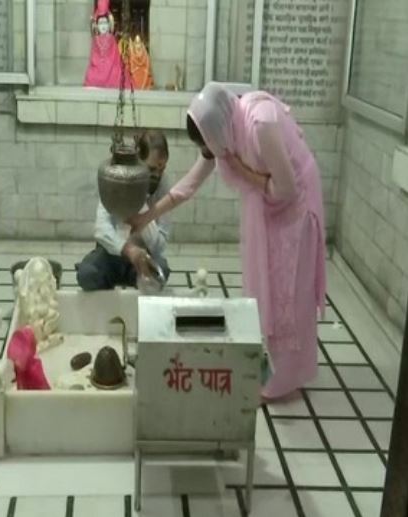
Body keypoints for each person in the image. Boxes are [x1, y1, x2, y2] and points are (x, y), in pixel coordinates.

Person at [129, 83, 326, 401]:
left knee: (290, 288)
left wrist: (243, 172)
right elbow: (186, 187)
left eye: (207, 146)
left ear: (214, 132)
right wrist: (145, 217)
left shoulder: (260, 124)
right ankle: (269, 359)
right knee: (268, 285)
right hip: (270, 205)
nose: (209, 154)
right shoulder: (223, 133)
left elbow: (286, 188)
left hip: (297, 206)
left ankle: (288, 375)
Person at [76, 129, 172, 291]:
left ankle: (135, 284)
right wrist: (128, 250)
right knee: (87, 274)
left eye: (161, 169)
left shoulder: (163, 185)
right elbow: (101, 229)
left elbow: (160, 245)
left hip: (142, 257)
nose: (157, 175)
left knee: (161, 272)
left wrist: (142, 204)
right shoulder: (118, 177)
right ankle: (109, 294)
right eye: (151, 169)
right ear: (139, 163)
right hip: (112, 253)